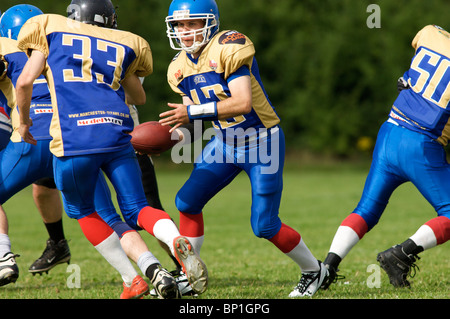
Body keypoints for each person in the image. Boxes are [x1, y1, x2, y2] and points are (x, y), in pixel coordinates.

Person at [16, 0, 208, 298]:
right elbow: (139, 97)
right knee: (138, 208)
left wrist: (24, 123)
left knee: (85, 211)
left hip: (75, 139)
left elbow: (25, 81)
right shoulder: (123, 42)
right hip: (117, 135)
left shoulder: (49, 31)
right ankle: (171, 244)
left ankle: (136, 277)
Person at [159, 0, 328, 297]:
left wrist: (192, 115)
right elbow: (194, 123)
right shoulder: (178, 68)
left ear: (209, 23)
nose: (184, 31)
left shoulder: (229, 45)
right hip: (224, 143)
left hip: (262, 142)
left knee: (264, 225)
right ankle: (190, 275)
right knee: (186, 201)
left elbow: (241, 102)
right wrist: (167, 141)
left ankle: (315, 270)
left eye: (192, 24)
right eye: (179, 25)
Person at [321, 24, 450, 289]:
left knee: (366, 210)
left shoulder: (431, 33)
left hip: (389, 132)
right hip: (421, 145)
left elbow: (421, 65)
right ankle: (401, 254)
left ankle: (326, 268)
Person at [0, 4, 70, 285]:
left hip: (30, 136)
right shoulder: (64, 46)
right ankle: (58, 244)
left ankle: (3, 256)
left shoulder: (7, 49)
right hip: (73, 137)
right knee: (47, 188)